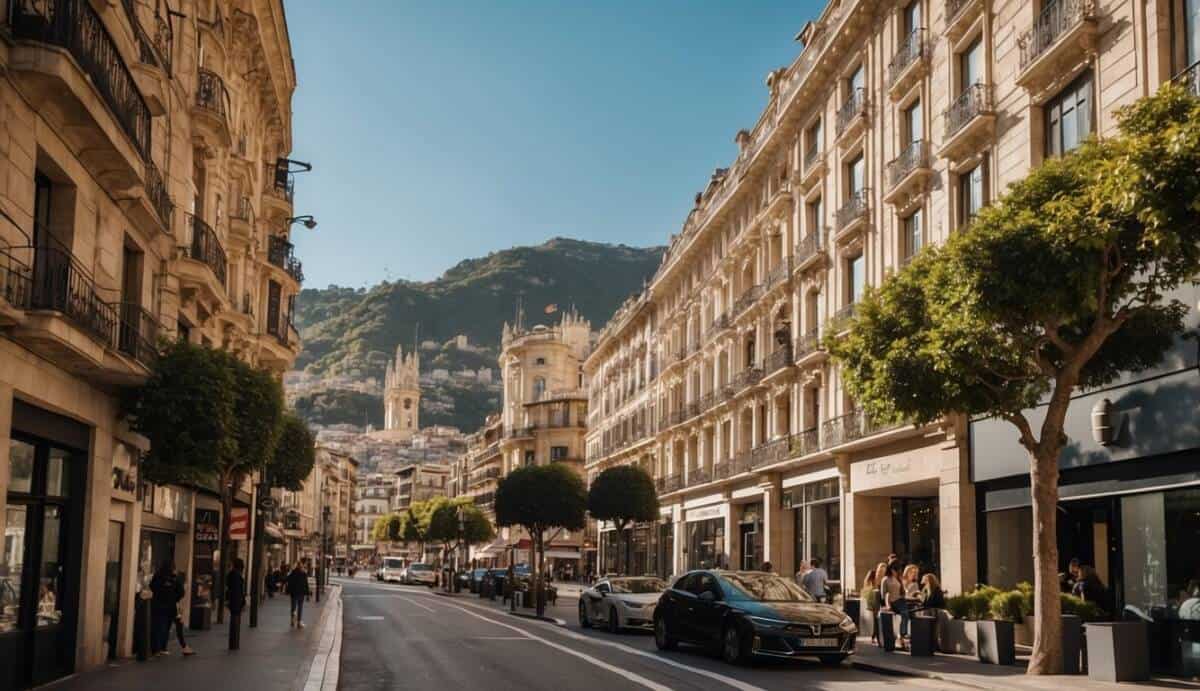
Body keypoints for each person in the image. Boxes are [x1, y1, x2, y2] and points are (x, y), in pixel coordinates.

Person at [149, 561, 184, 656]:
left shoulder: (157, 576)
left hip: (157, 605)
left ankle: (155, 649)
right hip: (170, 606)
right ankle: (163, 648)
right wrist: (174, 598)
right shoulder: (174, 578)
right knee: (166, 627)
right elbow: (181, 592)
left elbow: (152, 587)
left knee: (157, 627)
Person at [880, 561, 905, 649]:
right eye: (894, 569)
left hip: (900, 600)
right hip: (891, 602)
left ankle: (902, 636)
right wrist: (887, 605)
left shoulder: (898, 578)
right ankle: (900, 638)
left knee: (909, 613)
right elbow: (884, 594)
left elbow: (902, 592)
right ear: (890, 569)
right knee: (905, 613)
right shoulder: (885, 579)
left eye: (897, 570)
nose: (896, 571)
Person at [226, 558, 246, 651]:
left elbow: (229, 587)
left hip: (234, 600)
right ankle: (234, 644)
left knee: (234, 621)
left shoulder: (232, 575)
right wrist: (243, 601)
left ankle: (233, 643)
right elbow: (240, 591)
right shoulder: (237, 576)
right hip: (236, 601)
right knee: (235, 621)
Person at [286, 560, 310, 628]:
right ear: (301, 566)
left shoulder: (292, 573)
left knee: (293, 606)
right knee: (300, 607)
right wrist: (308, 594)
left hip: (294, 593)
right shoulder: (304, 574)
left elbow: (287, 579)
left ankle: (292, 620)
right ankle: (299, 622)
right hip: (301, 593)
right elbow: (306, 584)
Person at [862, 568, 881, 644]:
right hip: (874, 606)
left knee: (875, 622)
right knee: (876, 622)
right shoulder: (872, 586)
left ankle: (874, 636)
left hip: (872, 606)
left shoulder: (868, 585)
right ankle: (874, 636)